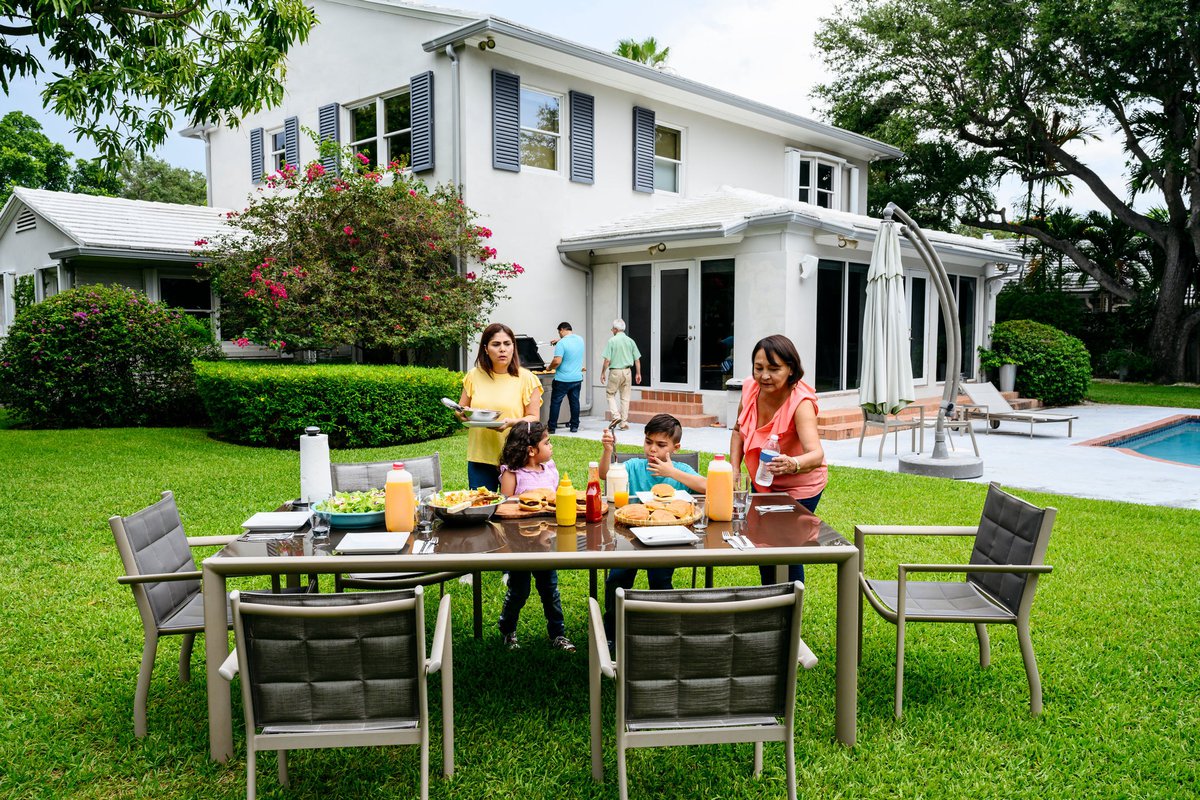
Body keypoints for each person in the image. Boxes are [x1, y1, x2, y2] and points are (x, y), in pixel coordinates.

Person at [598, 413, 707, 641]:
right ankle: (612, 629)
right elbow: (604, 475)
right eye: (648, 442)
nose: (652, 450)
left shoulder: (679, 470)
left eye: (661, 445)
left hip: (668, 539)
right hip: (629, 537)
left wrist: (672, 473)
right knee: (617, 578)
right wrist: (608, 450)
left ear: (675, 447)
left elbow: (707, 486)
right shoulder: (635, 466)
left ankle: (663, 628)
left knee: (659, 579)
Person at [730, 334, 828, 585]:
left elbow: (816, 454)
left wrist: (792, 463)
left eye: (774, 369)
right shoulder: (750, 389)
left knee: (786, 545)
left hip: (799, 485)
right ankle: (770, 599)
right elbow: (738, 430)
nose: (764, 376)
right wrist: (734, 469)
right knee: (762, 542)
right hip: (763, 479)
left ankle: (790, 610)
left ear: (791, 369)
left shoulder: (800, 403)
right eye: (758, 368)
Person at [496, 421, 575, 652]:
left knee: (550, 590)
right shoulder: (512, 474)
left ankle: (558, 634)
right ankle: (507, 629)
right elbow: (505, 508)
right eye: (547, 442)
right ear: (531, 450)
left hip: (545, 543)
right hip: (519, 545)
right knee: (519, 590)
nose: (551, 447)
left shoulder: (550, 468)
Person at [457, 322, 543, 491]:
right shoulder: (474, 376)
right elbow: (461, 410)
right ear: (486, 349)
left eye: (507, 344)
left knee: (512, 511)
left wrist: (511, 422)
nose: (502, 349)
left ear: (513, 347)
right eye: (496, 344)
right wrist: (464, 415)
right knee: (481, 508)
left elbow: (534, 418)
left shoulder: (527, 378)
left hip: (515, 457)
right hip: (480, 457)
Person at [599, 319, 641, 429]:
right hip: (627, 372)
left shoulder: (612, 341)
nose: (612, 330)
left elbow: (607, 360)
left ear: (616, 329)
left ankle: (616, 416)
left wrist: (603, 372)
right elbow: (637, 359)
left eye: (612, 329)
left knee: (610, 394)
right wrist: (638, 373)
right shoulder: (630, 341)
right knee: (625, 397)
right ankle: (624, 423)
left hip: (615, 371)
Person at [546, 321, 584, 434]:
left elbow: (557, 361)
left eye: (559, 333)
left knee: (556, 403)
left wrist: (549, 367)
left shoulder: (561, 344)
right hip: (577, 378)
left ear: (562, 330)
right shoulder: (580, 340)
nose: (559, 335)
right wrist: (559, 340)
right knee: (574, 402)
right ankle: (574, 426)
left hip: (562, 379)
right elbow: (570, 343)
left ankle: (552, 428)